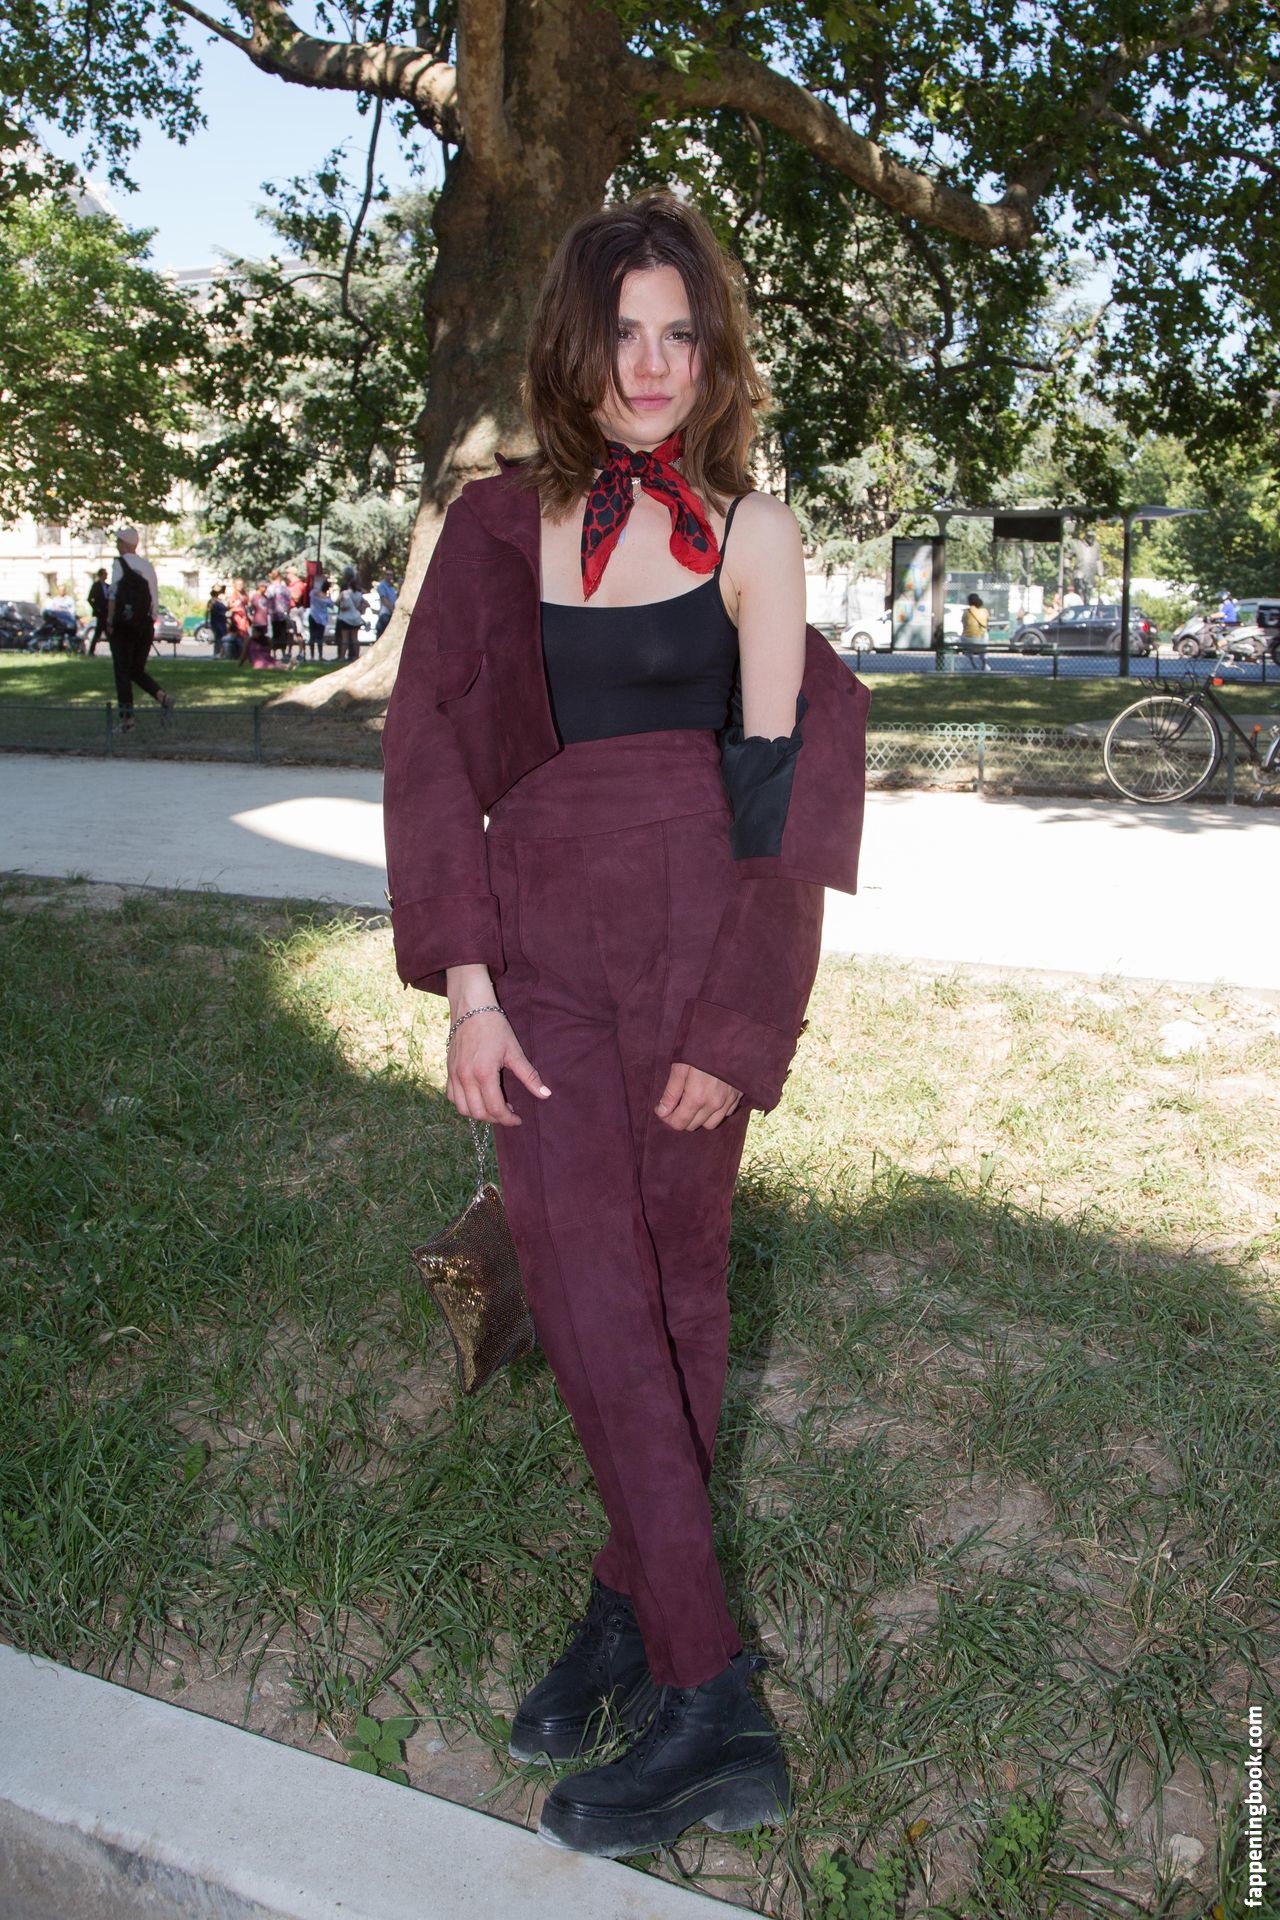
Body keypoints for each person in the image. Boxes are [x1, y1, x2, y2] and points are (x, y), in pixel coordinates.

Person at [381, 190, 870, 1860]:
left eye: (682, 334)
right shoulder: (492, 526)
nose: (653, 365)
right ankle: (711, 1689)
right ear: (573, 348)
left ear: (711, 355)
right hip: (538, 952)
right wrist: (466, 984)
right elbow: (429, 756)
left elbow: (780, 801)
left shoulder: (754, 533)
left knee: (674, 1294)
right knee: (585, 1287)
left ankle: (634, 1611)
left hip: (694, 942)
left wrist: (742, 1022)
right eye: (624, 333)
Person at [106, 527, 173, 732]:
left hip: (124, 624)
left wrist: (110, 621)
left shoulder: (120, 563)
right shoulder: (147, 566)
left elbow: (113, 594)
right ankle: (162, 696)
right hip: (145, 624)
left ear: (125, 544)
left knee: (122, 671)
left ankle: (128, 720)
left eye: (119, 542)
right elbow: (154, 596)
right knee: (136, 669)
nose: (117, 545)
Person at [336, 569, 366, 661]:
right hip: (355, 617)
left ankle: (342, 657)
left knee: (345, 639)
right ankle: (356, 656)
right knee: (355, 638)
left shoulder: (344, 593)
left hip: (345, 618)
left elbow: (337, 602)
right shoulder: (359, 594)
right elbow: (362, 604)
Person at [958, 592, 991, 670]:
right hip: (981, 641)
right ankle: (984, 664)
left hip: (967, 640)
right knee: (985, 634)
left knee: (963, 636)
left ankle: (973, 663)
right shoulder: (984, 611)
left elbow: (963, 623)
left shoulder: (966, 612)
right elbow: (986, 624)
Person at [308, 576, 333, 660]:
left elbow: (311, 594)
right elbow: (331, 605)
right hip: (321, 619)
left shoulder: (314, 593)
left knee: (312, 636)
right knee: (320, 638)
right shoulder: (326, 598)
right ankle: (320, 655)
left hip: (313, 616)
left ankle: (312, 656)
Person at [86, 568, 109, 655]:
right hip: (100, 612)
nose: (106, 575)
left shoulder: (108, 586)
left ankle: (91, 651)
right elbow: (90, 598)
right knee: (99, 631)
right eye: (104, 574)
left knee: (105, 631)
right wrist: (96, 608)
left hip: (107, 611)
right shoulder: (96, 586)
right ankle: (91, 651)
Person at [375, 570, 398, 639]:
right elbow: (384, 599)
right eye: (387, 574)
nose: (389, 576)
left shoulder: (391, 587)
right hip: (385, 613)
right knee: (382, 635)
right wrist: (392, 610)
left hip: (391, 614)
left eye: (391, 574)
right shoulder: (382, 585)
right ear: (384, 575)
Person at [207, 585, 229, 658]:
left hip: (222, 621)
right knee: (218, 637)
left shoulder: (220, 600)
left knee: (222, 637)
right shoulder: (212, 601)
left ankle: (221, 653)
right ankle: (217, 652)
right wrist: (206, 622)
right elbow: (208, 611)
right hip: (216, 621)